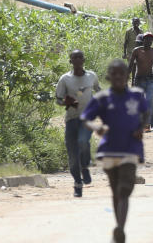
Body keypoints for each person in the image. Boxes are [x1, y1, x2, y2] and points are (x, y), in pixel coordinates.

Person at [81, 59, 149, 243]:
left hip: (130, 149)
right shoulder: (102, 98)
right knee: (115, 191)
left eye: (122, 73)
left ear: (128, 75)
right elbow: (86, 118)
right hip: (109, 151)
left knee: (125, 188)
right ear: (108, 76)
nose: (118, 76)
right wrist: (96, 127)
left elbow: (146, 113)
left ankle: (120, 229)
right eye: (114, 73)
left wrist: (141, 128)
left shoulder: (137, 95)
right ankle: (119, 227)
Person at [56, 50, 101, 196]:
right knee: (73, 157)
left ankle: (85, 167)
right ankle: (77, 183)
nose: (77, 59)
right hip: (71, 119)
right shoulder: (65, 79)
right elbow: (58, 99)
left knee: (83, 141)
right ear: (70, 61)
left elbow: (98, 90)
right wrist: (66, 102)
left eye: (79, 57)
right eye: (74, 57)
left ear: (84, 59)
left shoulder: (91, 76)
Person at [128, 33, 153, 131]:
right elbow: (130, 66)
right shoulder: (137, 51)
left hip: (150, 79)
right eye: (147, 40)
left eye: (151, 40)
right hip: (139, 79)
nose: (149, 42)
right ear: (143, 40)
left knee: (150, 101)